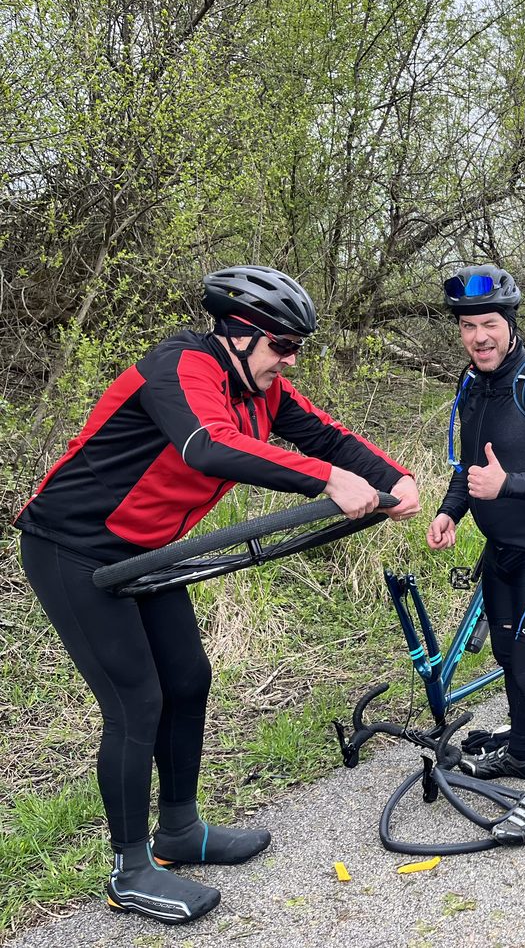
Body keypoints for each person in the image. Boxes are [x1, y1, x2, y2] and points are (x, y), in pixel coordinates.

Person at [15, 265, 421, 925]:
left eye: (297, 349)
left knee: (188, 678)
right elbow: (207, 445)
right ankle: (130, 869)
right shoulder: (179, 367)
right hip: (71, 547)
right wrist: (325, 481)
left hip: (144, 551)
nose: (289, 361)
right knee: (134, 701)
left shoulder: (265, 390)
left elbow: (327, 435)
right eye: (282, 346)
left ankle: (178, 831)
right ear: (236, 332)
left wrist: (393, 476)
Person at [426, 264, 525, 845]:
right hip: (500, 547)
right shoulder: (471, 386)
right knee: (504, 651)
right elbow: (468, 468)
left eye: (489, 323)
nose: (479, 337)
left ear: (510, 324)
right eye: (469, 327)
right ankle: (521, 752)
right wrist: (452, 509)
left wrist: (510, 486)